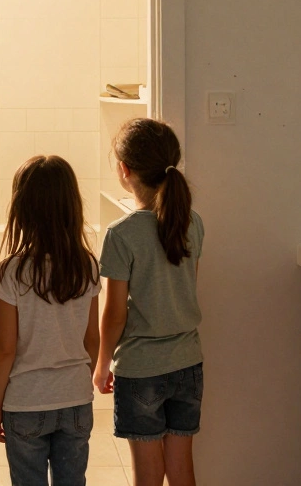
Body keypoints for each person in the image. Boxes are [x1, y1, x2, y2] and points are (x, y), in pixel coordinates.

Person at [93, 118, 204, 486]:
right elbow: (187, 291)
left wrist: (102, 361)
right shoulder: (193, 223)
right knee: (182, 469)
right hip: (188, 363)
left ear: (125, 170)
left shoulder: (121, 234)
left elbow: (114, 314)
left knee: (148, 476)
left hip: (141, 369)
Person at [0, 155, 101, 486]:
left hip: (25, 403)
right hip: (76, 401)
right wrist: (79, 380)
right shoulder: (87, 266)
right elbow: (91, 339)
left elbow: (6, 348)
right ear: (72, 208)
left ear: (22, 211)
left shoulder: (12, 272)